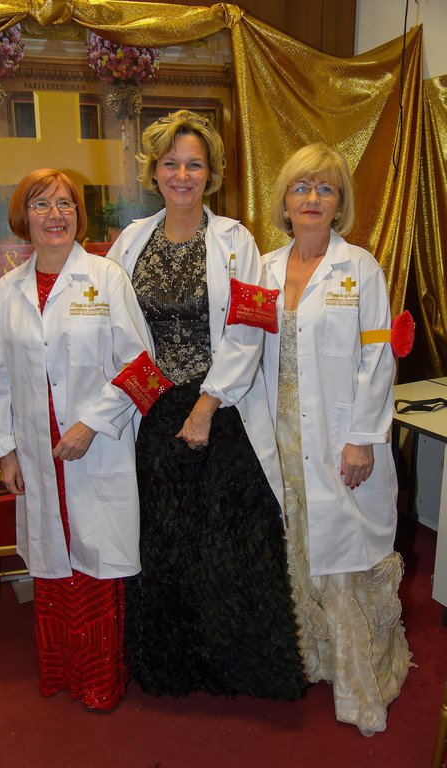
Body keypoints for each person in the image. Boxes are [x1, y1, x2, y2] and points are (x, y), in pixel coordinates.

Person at [108, 110, 305, 699]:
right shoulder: (129, 241)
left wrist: (206, 406)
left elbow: (249, 328)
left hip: (221, 411)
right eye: (170, 163)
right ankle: (170, 668)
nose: (182, 175)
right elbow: (114, 329)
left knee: (228, 541)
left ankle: (239, 669)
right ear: (153, 171)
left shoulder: (237, 241)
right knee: (165, 543)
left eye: (194, 164)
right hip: (153, 412)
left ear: (211, 173)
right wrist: (148, 398)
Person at [0, 168, 152, 711]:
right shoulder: (5, 292)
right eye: (42, 204)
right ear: (23, 217)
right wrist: (5, 452)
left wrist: (91, 423)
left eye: (65, 204)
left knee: (95, 562)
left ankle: (99, 680)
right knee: (53, 564)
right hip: (37, 451)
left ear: (79, 215)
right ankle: (58, 671)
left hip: (96, 446)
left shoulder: (106, 277)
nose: (56, 215)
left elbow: (142, 367)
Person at [262, 143, 412, 735]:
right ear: (285, 200)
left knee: (342, 553)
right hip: (279, 433)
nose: (312, 198)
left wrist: (361, 438)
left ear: (340, 202)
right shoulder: (263, 269)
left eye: (325, 188)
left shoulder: (361, 268)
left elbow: (378, 358)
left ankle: (358, 681)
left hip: (338, 434)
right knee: (298, 544)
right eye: (302, 187)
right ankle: (313, 659)